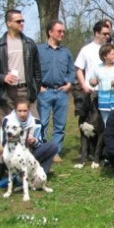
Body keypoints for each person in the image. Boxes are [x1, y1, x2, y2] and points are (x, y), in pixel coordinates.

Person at [0, 9, 41, 120]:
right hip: (6, 93)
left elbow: (37, 71)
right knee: (9, 130)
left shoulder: (30, 44)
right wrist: (3, 77)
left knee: (33, 128)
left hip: (26, 91)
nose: (22, 23)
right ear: (9, 23)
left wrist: (36, 88)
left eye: (22, 21)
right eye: (18, 21)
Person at [0, 98, 59, 187]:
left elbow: (41, 144)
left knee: (53, 147)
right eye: (19, 111)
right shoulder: (8, 121)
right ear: (15, 110)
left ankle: (37, 178)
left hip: (31, 154)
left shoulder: (36, 123)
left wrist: (34, 141)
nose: (22, 114)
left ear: (29, 110)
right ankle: (20, 178)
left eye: (25, 111)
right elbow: (4, 143)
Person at [37, 19, 74, 162]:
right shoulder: (39, 50)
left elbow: (72, 70)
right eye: (59, 31)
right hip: (44, 92)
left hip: (61, 92)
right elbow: (33, 69)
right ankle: (42, 150)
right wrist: (38, 86)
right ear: (50, 32)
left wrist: (69, 83)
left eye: (63, 31)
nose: (62, 34)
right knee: (42, 123)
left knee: (60, 125)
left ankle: (55, 152)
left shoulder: (66, 52)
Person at [74, 20, 112, 93]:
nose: (107, 36)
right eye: (104, 34)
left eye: (108, 34)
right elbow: (78, 69)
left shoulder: (111, 49)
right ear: (97, 33)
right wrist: (83, 85)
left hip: (109, 90)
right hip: (92, 91)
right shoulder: (86, 49)